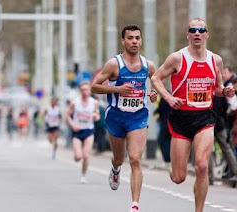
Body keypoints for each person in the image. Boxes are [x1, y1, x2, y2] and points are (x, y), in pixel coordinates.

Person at [151, 18, 235, 212]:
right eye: (193, 30)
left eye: (201, 30)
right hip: (181, 118)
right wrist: (168, 97)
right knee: (179, 177)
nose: (197, 33)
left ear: (207, 34)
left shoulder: (216, 60)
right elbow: (155, 78)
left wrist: (225, 92)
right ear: (188, 35)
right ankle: (174, 171)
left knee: (202, 166)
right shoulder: (177, 58)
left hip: (205, 117)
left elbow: (218, 88)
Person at [91, 24, 157, 212]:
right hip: (116, 117)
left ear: (141, 40)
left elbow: (157, 82)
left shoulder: (148, 65)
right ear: (123, 41)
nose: (134, 41)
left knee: (135, 159)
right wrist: (117, 89)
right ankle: (115, 169)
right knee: (119, 158)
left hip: (138, 117)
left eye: (137, 38)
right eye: (130, 38)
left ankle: (135, 205)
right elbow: (94, 87)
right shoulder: (114, 64)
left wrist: (153, 94)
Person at [66, 81, 100, 183]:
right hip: (77, 131)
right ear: (80, 91)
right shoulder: (74, 102)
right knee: (78, 157)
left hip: (89, 130)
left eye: (86, 89)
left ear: (89, 90)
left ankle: (83, 176)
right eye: (82, 90)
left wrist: (96, 116)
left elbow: (97, 116)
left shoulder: (94, 103)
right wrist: (73, 125)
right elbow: (67, 115)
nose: (84, 92)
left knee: (85, 156)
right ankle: (77, 156)